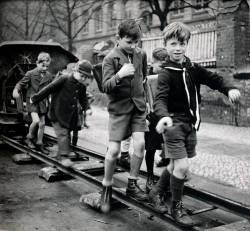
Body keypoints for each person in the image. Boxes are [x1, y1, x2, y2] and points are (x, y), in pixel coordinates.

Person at [149, 22, 241, 227]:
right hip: (172, 124)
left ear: (186, 44)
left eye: (181, 43)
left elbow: (214, 79)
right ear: (166, 45)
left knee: (174, 165)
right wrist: (163, 116)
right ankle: (176, 207)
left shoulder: (192, 67)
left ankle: (155, 193)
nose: (177, 48)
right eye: (173, 44)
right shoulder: (165, 72)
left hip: (189, 124)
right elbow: (160, 98)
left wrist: (228, 89)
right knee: (182, 167)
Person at [98, 19, 148, 213]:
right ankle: (106, 185)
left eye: (136, 42)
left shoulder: (141, 54)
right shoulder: (110, 58)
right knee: (113, 152)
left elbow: (143, 80)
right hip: (118, 110)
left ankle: (132, 184)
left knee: (141, 144)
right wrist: (119, 75)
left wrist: (147, 104)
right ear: (118, 39)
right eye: (129, 42)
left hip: (137, 108)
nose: (133, 46)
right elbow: (105, 86)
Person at [31, 60, 93, 167]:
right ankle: (64, 158)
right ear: (75, 70)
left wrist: (87, 108)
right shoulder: (64, 79)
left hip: (68, 116)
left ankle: (59, 159)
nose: (83, 79)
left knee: (66, 135)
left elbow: (83, 98)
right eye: (81, 75)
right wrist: (35, 98)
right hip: (56, 113)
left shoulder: (81, 85)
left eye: (85, 77)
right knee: (63, 134)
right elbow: (48, 89)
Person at [12, 52, 52, 153]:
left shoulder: (48, 75)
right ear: (37, 63)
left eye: (47, 66)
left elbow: (51, 88)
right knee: (36, 121)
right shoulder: (30, 73)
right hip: (32, 102)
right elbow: (20, 84)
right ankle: (28, 138)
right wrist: (16, 90)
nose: (45, 68)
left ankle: (39, 142)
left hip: (43, 102)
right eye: (43, 66)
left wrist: (51, 99)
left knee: (42, 124)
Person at [144, 48, 170, 195]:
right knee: (150, 147)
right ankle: (149, 176)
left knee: (169, 147)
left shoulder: (169, 76)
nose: (160, 69)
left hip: (166, 116)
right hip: (152, 117)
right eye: (158, 66)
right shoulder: (148, 78)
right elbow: (144, 98)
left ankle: (167, 178)